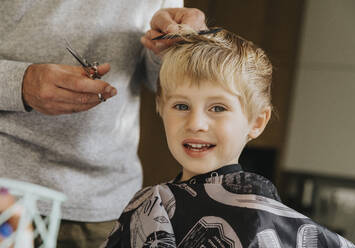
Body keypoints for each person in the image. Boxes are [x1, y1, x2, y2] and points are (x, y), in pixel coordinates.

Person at [101, 29, 355, 247]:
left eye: (218, 108)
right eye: (181, 106)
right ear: (161, 109)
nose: (196, 124)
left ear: (256, 122)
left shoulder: (261, 217)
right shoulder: (150, 204)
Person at [0, 1, 207, 246]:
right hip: (6, 195)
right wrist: (19, 83)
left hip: (105, 206)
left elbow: (162, 83)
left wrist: (176, 49)